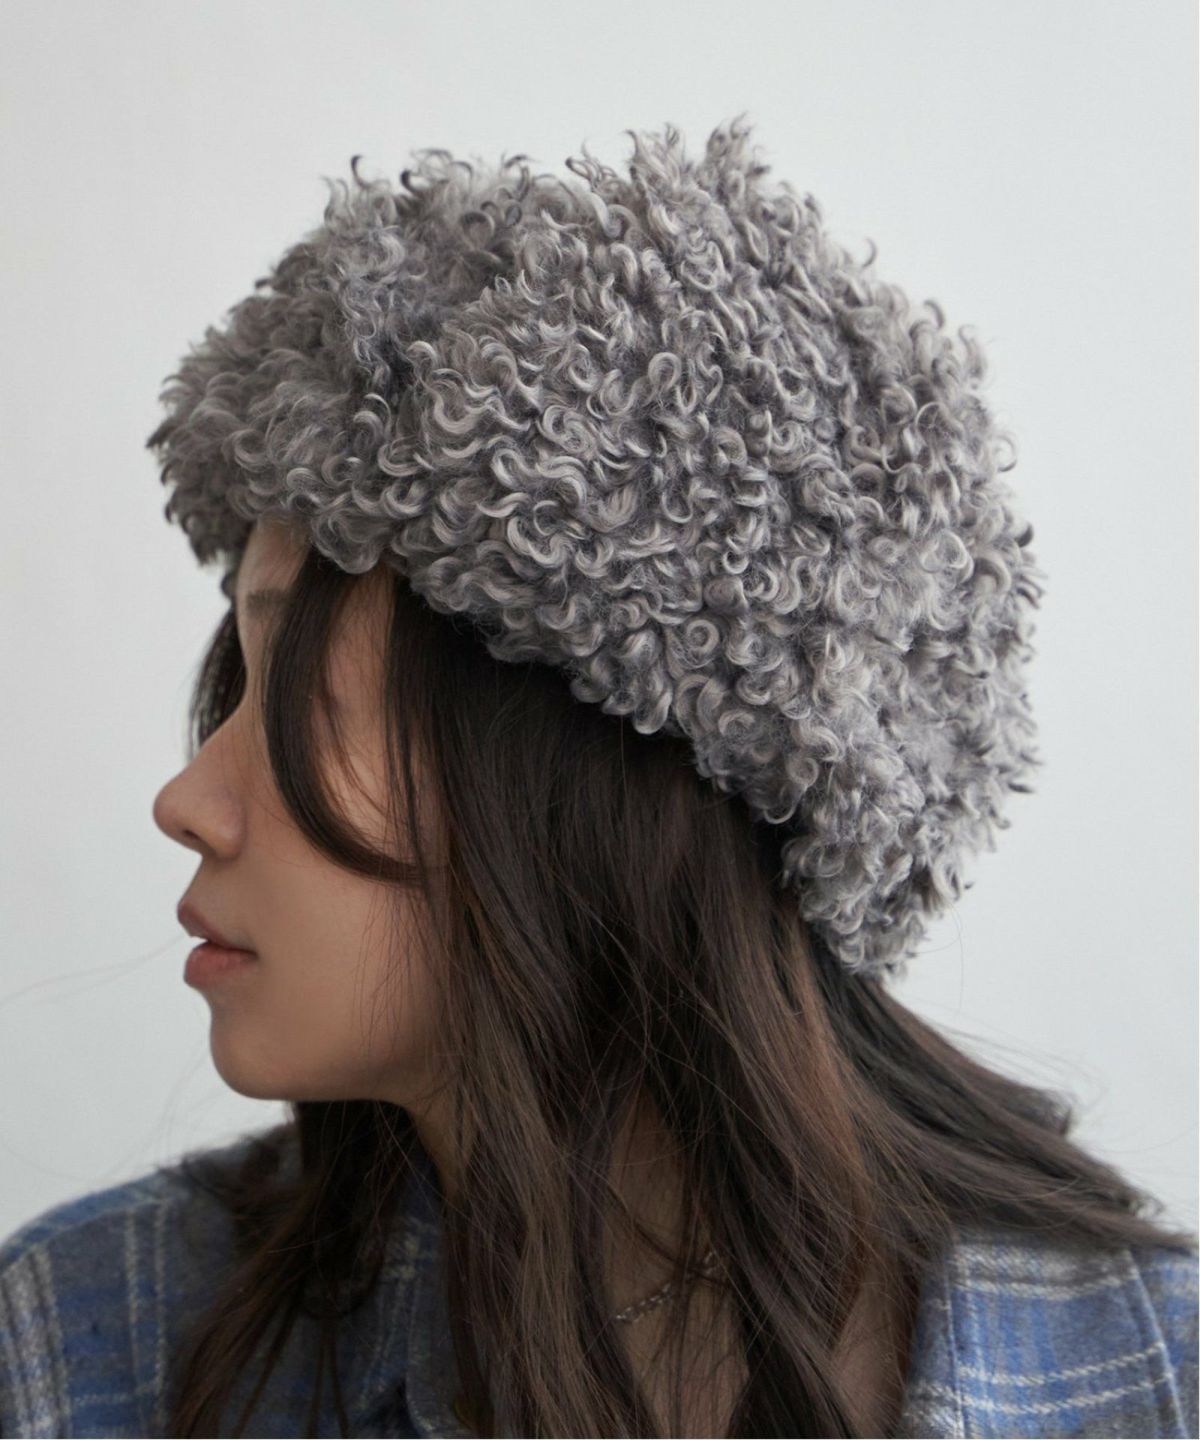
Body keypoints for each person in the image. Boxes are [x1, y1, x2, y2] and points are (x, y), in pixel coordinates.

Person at [1, 116, 1195, 1439]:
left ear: (610, 774)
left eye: (304, 704)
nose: (186, 803)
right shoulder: (87, 1359)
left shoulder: (1156, 1383)